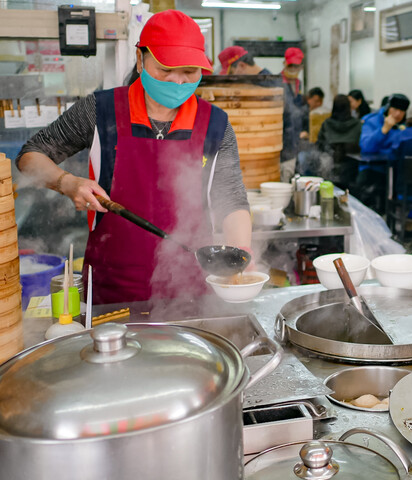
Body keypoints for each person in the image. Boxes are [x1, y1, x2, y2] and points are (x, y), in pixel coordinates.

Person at [16, 9, 250, 306]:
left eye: (190, 71)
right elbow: (30, 155)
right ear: (140, 60)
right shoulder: (101, 111)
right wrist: (68, 182)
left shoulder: (215, 125)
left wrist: (241, 256)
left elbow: (232, 200)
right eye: (166, 69)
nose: (178, 81)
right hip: (112, 289)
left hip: (191, 289)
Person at [354, 93, 409, 211]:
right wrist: (383, 130)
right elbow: (366, 147)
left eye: (402, 111)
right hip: (372, 169)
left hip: (395, 171)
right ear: (388, 108)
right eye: (395, 109)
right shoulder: (371, 121)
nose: (398, 114)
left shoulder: (404, 126)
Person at [312, 94, 361, 187]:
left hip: (329, 170)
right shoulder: (357, 124)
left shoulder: (327, 124)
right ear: (349, 107)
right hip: (352, 172)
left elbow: (319, 145)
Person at [281, 47, 308, 181]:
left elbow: (300, 110)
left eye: (296, 66)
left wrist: (304, 130)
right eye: (290, 65)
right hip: (282, 137)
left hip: (295, 138)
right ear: (284, 64)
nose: (293, 69)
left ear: (301, 67)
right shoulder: (277, 82)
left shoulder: (299, 84)